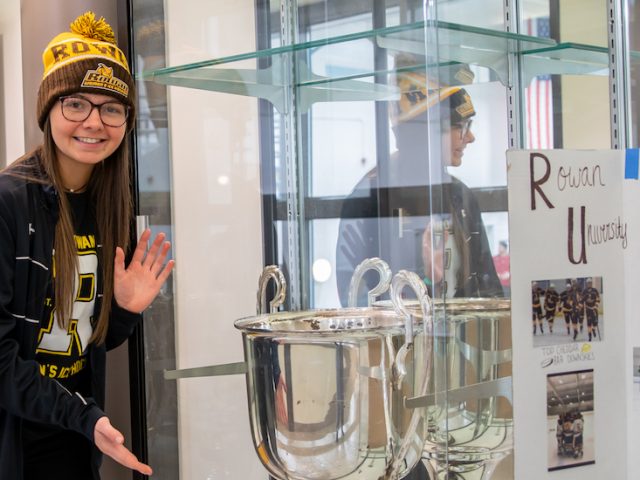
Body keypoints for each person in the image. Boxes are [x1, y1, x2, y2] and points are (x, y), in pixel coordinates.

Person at [0, 12, 174, 479]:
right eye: (76, 103)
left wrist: (123, 311)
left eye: (111, 108)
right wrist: (85, 415)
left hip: (74, 442)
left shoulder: (110, 205)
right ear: (49, 110)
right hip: (14, 443)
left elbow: (87, 340)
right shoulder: (8, 202)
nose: (94, 122)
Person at [336, 68, 502, 308]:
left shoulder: (460, 195)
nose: (471, 137)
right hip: (394, 345)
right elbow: (356, 303)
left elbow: (487, 291)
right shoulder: (367, 200)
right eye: (462, 127)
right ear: (427, 132)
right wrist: (426, 279)